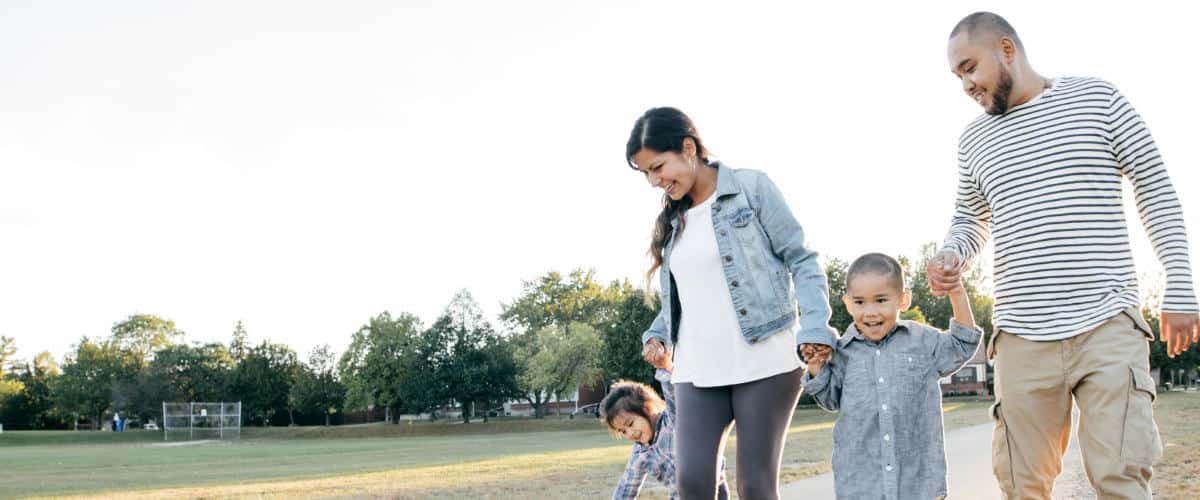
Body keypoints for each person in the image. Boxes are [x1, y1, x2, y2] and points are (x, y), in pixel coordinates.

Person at [933, 12, 1200, 498]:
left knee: (1122, 476)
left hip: (1107, 323)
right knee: (1022, 483)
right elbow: (970, 219)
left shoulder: (1097, 99)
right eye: (958, 76)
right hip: (1021, 335)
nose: (966, 84)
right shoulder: (973, 141)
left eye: (970, 67)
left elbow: (1155, 188)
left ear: (1007, 49)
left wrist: (1179, 283)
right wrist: (953, 254)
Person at [626, 106, 836, 499]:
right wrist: (657, 334)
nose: (654, 181)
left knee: (755, 486)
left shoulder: (752, 189)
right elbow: (686, 294)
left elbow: (802, 259)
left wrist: (814, 326)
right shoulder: (675, 221)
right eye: (647, 174)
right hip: (696, 367)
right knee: (691, 484)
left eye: (658, 167)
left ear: (688, 147)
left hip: (764, 359)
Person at [803, 253, 981, 499]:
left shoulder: (922, 341)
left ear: (903, 300)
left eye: (881, 300)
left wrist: (956, 291)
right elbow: (830, 398)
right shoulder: (842, 351)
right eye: (860, 302)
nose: (870, 312)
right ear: (847, 303)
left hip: (918, 483)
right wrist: (816, 366)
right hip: (861, 484)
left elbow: (963, 344)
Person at [601, 341, 728, 500]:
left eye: (630, 424)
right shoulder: (640, 454)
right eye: (623, 431)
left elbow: (673, 391)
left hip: (712, 486)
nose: (630, 433)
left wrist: (665, 366)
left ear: (647, 408)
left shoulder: (672, 419)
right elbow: (627, 486)